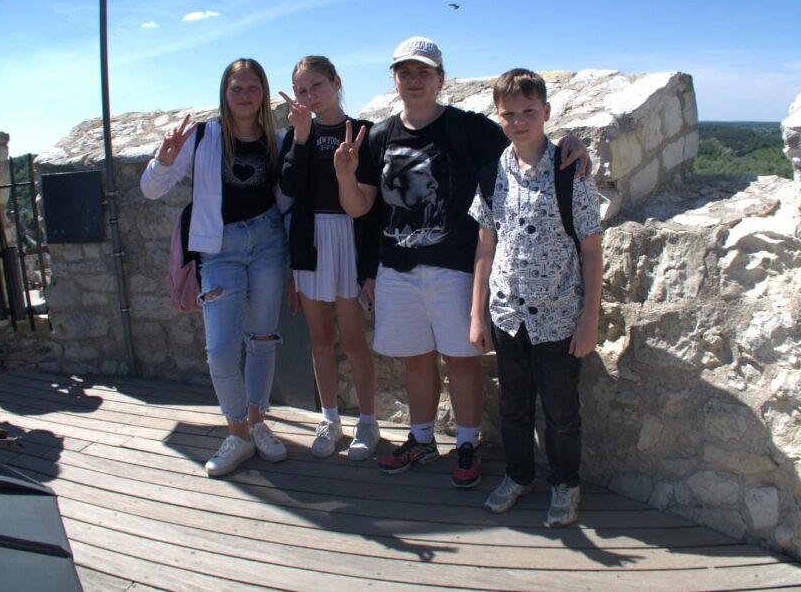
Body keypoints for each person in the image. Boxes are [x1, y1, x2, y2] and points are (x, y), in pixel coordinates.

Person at [334, 37, 589, 488]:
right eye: (405, 73)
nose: (414, 80)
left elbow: (526, 140)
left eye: (423, 72)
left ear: (440, 79)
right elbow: (360, 209)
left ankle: (467, 443)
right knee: (416, 360)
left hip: (455, 266)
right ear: (394, 79)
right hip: (397, 269)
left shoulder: (467, 128)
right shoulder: (378, 136)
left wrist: (570, 141)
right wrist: (344, 175)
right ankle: (421, 440)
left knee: (461, 360)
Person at [141, 59, 289, 477]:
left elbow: (287, 199)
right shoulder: (203, 137)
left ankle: (257, 424)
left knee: (262, 338)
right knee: (221, 349)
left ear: (263, 93)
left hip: (269, 242)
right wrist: (164, 159)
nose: (244, 95)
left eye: (252, 87)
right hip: (220, 248)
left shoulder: (276, 141)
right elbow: (150, 190)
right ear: (224, 93)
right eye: (236, 87)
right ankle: (237, 432)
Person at [469, 68, 603, 526]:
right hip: (508, 315)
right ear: (498, 117)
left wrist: (589, 320)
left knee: (562, 412)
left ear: (546, 112)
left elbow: (591, 249)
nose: (519, 121)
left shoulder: (571, 172)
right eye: (509, 114)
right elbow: (485, 246)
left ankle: (565, 484)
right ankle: (519, 475)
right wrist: (477, 314)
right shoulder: (493, 174)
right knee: (513, 406)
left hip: (558, 316)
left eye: (529, 111)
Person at [277, 56, 380, 460]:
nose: (309, 96)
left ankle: (368, 422)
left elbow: (371, 205)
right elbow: (290, 187)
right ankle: (330, 420)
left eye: (316, 85)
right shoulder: (297, 134)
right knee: (320, 338)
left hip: (348, 239)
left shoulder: (365, 132)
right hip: (310, 242)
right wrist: (302, 138)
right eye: (301, 90)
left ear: (336, 82)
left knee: (353, 340)